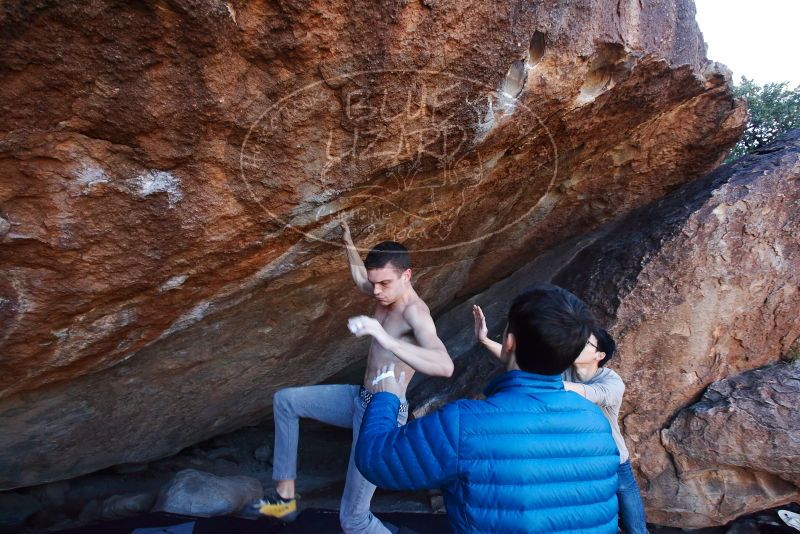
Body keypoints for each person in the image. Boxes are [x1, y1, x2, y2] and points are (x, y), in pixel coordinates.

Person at [355, 284, 620, 533]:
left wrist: (387, 394)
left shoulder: (465, 424)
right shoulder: (595, 422)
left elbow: (375, 460)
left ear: (509, 342)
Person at [260, 220, 453, 534]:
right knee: (285, 402)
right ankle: (284, 499)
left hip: (383, 418)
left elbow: (445, 366)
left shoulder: (416, 313)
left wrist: (386, 339)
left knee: (352, 520)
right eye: (375, 282)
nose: (375, 291)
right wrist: (349, 242)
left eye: (384, 283)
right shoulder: (383, 293)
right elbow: (360, 279)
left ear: (407, 276)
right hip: (358, 399)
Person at [473, 305, 647, 533]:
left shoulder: (611, 381)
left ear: (599, 355)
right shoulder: (563, 371)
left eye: (586, 344)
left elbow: (589, 394)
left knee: (635, 527)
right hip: (579, 459)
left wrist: (542, 380)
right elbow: (521, 364)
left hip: (614, 459)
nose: (578, 345)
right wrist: (484, 340)